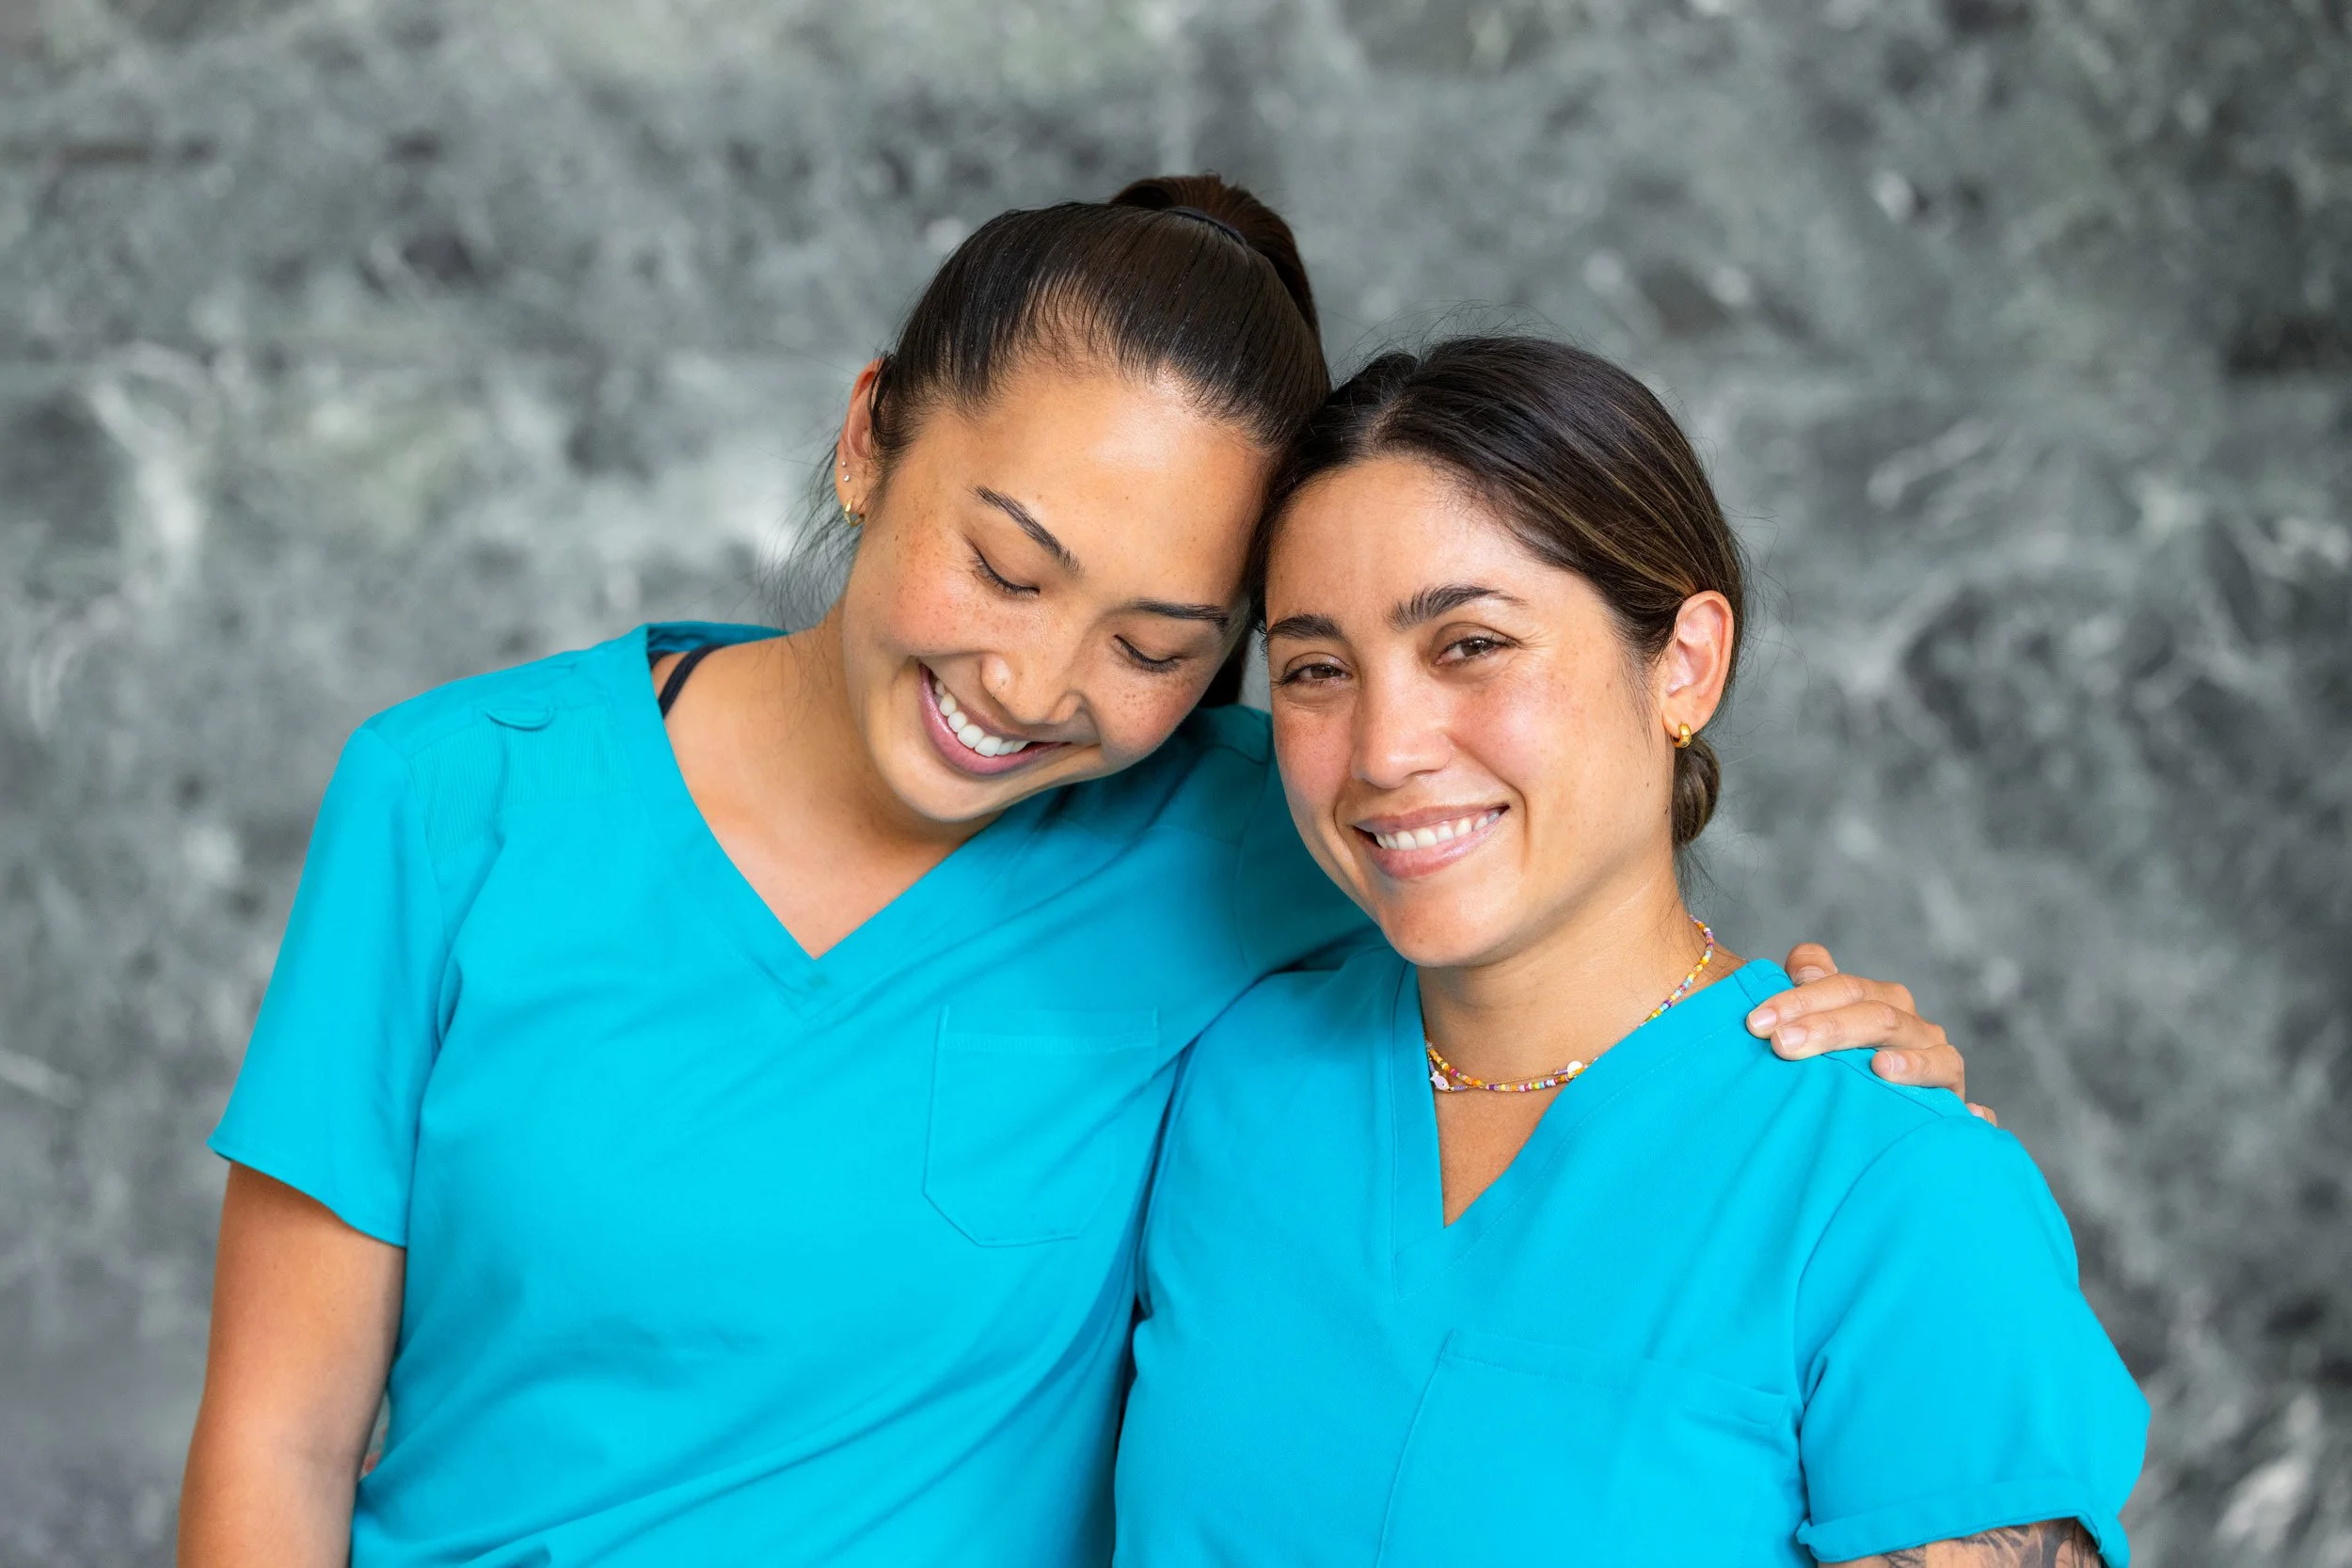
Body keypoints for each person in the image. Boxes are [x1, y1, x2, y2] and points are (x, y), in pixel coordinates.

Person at [178, 184, 1969, 1568]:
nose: (1036, 691)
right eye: (1009, 566)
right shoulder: (452, 803)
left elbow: (1554, 871)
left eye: (1161, 641)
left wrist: (1822, 1076)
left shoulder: (1258, 824)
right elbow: (277, 1439)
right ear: (871, 431)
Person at [1114, 337, 2148, 1567]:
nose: (1383, 747)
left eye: (1471, 645)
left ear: (1686, 664)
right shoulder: (1221, 1082)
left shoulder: (1895, 1195)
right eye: (1317, 669)